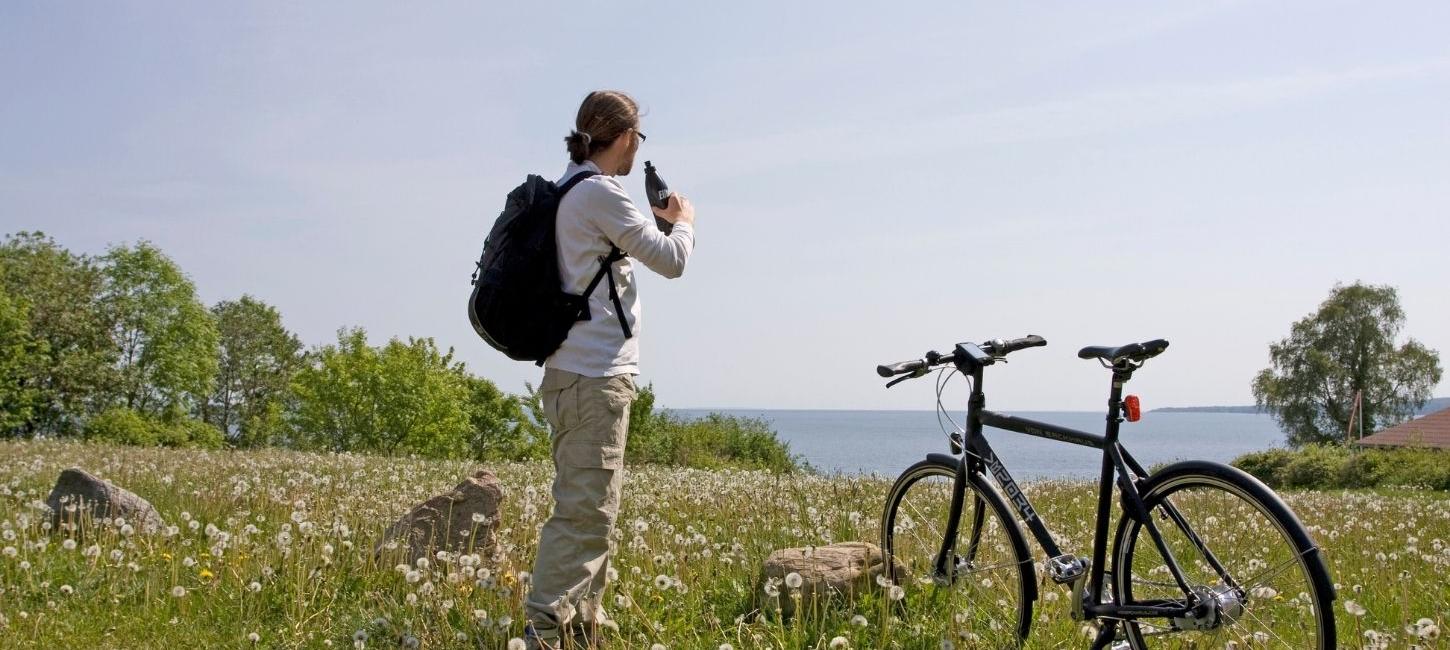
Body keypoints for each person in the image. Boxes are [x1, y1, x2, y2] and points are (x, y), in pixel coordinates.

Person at [524, 90, 695, 650]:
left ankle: (583, 623)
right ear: (624, 138)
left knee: (596, 509)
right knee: (583, 512)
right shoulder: (599, 193)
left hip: (574, 374)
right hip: (593, 376)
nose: (636, 151)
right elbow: (671, 261)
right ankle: (545, 631)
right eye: (637, 139)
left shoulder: (572, 187)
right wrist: (683, 222)